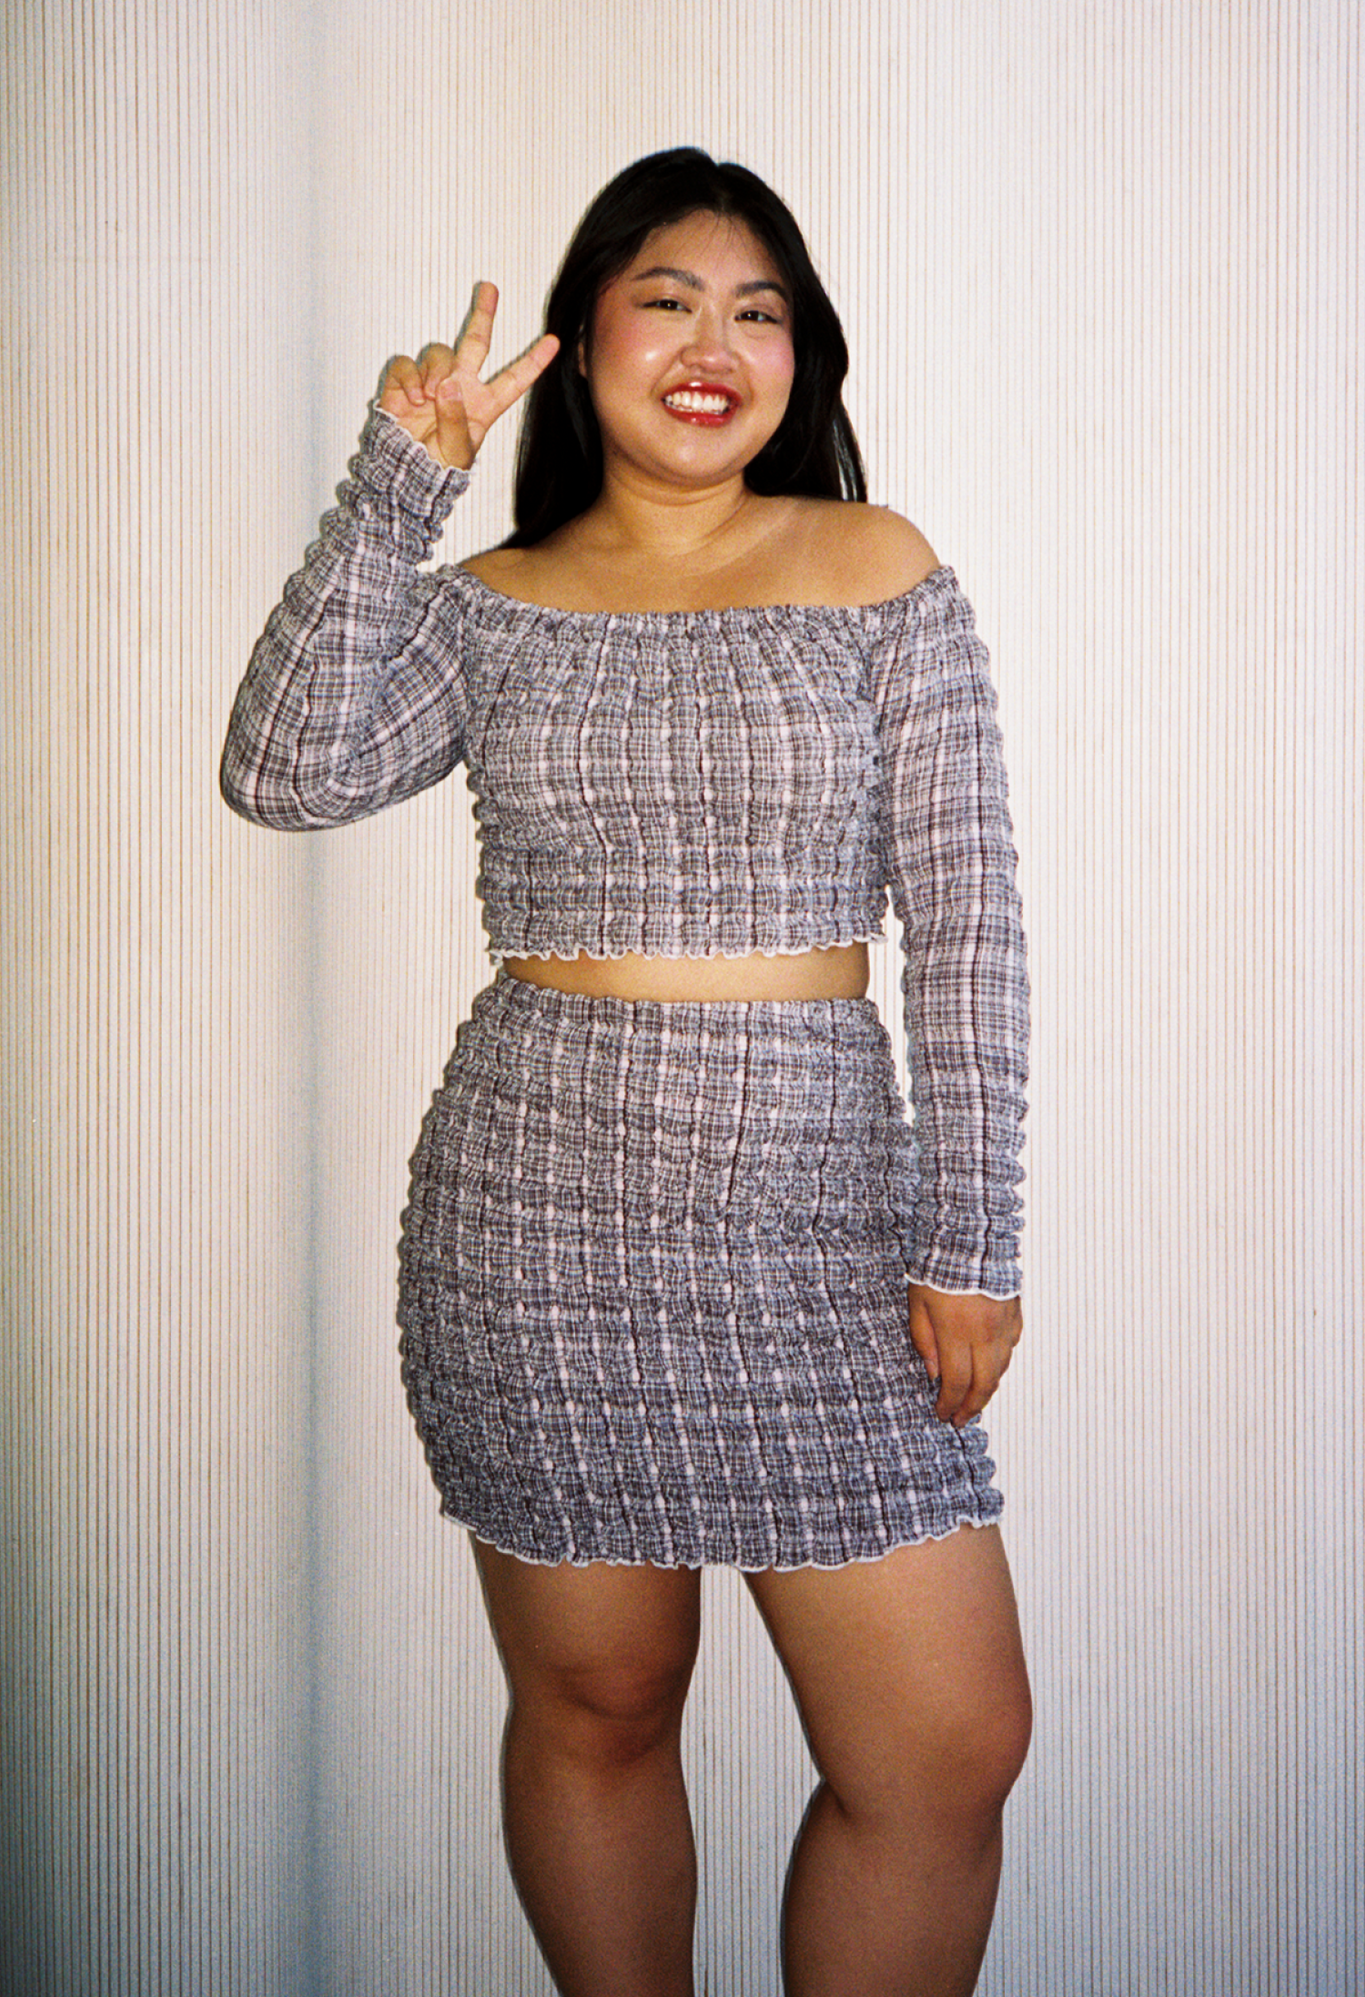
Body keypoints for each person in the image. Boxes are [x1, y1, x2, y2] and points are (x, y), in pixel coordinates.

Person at [221, 147, 1031, 1997]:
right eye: (668, 300)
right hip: (537, 1220)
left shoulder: (877, 567)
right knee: (599, 1701)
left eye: (759, 311)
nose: (712, 344)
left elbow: (972, 922)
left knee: (945, 1750)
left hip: (825, 1230)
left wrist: (973, 1233)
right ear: (584, 343)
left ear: (803, 360)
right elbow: (284, 771)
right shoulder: (492, 601)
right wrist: (399, 481)